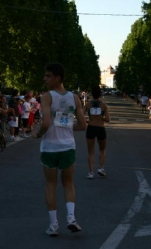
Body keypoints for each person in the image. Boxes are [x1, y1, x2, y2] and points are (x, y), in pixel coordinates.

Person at [32, 62, 86, 236]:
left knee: (50, 185)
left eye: (48, 75)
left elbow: (46, 123)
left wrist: (38, 133)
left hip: (50, 147)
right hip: (67, 146)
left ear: (57, 78)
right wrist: (67, 128)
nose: (44, 78)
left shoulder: (47, 97)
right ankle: (71, 218)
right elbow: (83, 125)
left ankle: (54, 225)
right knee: (68, 183)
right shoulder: (74, 97)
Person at [83, 86, 110, 179]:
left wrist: (88, 121)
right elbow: (108, 119)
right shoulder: (103, 105)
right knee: (102, 150)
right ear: (100, 94)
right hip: (100, 128)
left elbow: (81, 117)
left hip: (91, 127)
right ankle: (101, 168)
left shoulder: (87, 105)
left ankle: (91, 172)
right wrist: (100, 118)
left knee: (91, 152)